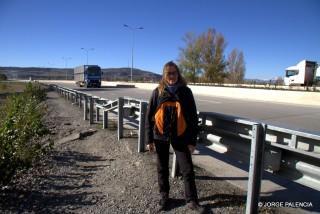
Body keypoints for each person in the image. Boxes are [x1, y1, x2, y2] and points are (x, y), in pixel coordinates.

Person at [146, 61, 204, 213]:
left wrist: (192, 141)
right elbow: (149, 117)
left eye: (174, 73)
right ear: (164, 75)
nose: (171, 76)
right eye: (168, 73)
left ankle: (191, 200)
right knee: (162, 168)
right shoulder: (157, 92)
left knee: (187, 169)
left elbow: (192, 118)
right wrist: (149, 140)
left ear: (178, 74)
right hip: (160, 137)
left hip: (181, 136)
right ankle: (164, 197)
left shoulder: (186, 92)